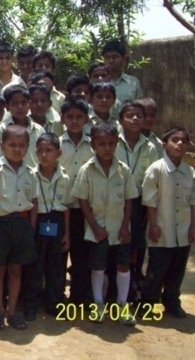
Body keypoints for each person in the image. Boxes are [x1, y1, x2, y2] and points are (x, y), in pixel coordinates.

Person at [71, 122, 138, 325]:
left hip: (120, 229)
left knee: (123, 265)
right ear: (93, 145)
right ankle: (98, 304)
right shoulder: (86, 170)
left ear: (117, 143)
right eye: (102, 144)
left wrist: (125, 226)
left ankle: (122, 305)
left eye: (111, 143)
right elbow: (82, 200)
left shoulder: (123, 170)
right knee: (98, 266)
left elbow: (129, 199)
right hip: (97, 229)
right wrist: (95, 227)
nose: (107, 148)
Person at [0, 125, 38, 330]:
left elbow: (34, 201)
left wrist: (31, 227)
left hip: (22, 224)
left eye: (21, 145)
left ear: (27, 147)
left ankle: (12, 311)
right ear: (2, 145)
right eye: (12, 145)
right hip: (1, 224)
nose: (17, 149)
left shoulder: (30, 172)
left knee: (16, 270)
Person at [141, 127, 195, 317]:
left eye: (184, 141)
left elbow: (192, 202)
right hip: (162, 229)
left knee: (177, 270)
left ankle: (172, 301)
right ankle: (149, 304)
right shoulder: (156, 169)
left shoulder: (189, 171)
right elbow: (150, 201)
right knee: (157, 270)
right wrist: (153, 225)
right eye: (175, 140)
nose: (180, 144)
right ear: (164, 144)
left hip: (183, 229)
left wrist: (193, 227)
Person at [22, 133, 71, 320]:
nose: (44, 155)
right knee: (35, 265)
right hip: (38, 221)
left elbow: (66, 207)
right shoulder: (30, 175)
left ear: (58, 153)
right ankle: (31, 304)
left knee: (56, 265)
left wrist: (67, 234)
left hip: (57, 221)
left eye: (49, 150)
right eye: (40, 151)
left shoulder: (64, 177)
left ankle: (54, 302)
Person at [115, 101, 159, 293]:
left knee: (135, 243)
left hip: (139, 202)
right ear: (120, 120)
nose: (135, 119)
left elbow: (153, 182)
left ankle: (132, 281)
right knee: (114, 242)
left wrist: (148, 210)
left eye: (139, 116)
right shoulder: (112, 141)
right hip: (114, 201)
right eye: (130, 115)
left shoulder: (150, 147)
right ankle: (111, 286)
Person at [59, 97, 93, 305]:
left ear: (86, 119)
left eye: (79, 117)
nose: (74, 121)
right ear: (62, 118)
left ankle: (79, 297)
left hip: (83, 209)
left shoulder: (92, 145)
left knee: (81, 255)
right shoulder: (56, 144)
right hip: (60, 207)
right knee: (58, 255)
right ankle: (56, 296)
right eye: (70, 117)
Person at [0, 85, 45, 168]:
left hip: (34, 174)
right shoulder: (2, 129)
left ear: (29, 104)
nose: (20, 107)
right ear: (7, 107)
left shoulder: (39, 130)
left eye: (23, 103)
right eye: (15, 103)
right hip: (9, 174)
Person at [101, 39, 143, 104]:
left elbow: (139, 105)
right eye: (107, 57)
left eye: (115, 57)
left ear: (123, 60)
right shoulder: (99, 82)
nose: (111, 61)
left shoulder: (133, 82)